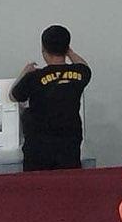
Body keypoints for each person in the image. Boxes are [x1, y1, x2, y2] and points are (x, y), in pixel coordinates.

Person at [10, 25, 91, 171]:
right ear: (67, 48)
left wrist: (24, 73)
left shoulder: (34, 77)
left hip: (38, 149)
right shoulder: (80, 74)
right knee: (68, 183)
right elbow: (84, 66)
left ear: (43, 49)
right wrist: (69, 51)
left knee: (38, 184)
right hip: (69, 146)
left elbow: (14, 96)